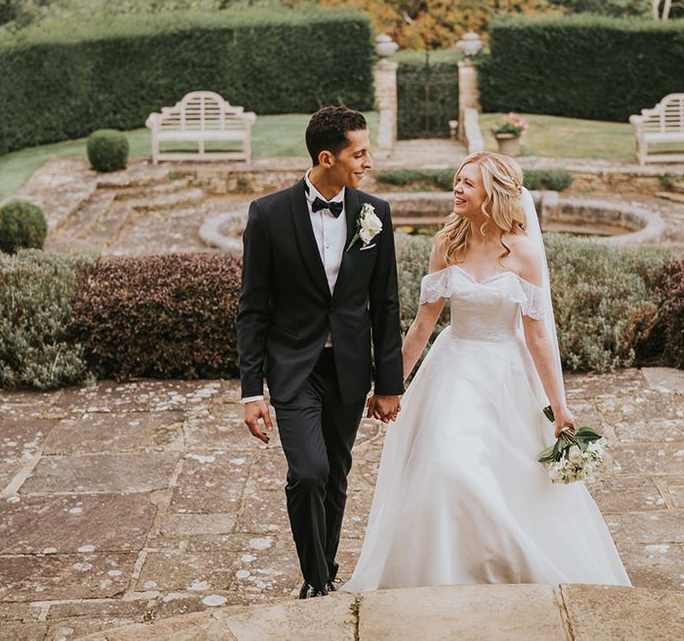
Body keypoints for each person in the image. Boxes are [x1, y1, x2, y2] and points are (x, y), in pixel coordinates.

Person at [344, 151, 630, 590]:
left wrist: (560, 406)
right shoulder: (446, 244)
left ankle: (498, 568)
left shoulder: (524, 254)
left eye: (467, 184)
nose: (456, 189)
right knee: (446, 466)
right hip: (454, 368)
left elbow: (537, 336)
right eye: (456, 181)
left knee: (505, 479)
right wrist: (389, 384)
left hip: (505, 374)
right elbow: (423, 323)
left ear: (492, 194)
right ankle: (445, 573)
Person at [236, 106, 405, 599]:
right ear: (327, 157)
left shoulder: (376, 214)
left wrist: (389, 383)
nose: (368, 161)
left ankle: (324, 572)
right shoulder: (267, 215)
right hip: (293, 369)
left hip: (349, 370)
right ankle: (315, 578)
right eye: (360, 153)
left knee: (335, 474)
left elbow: (386, 303)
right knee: (308, 473)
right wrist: (252, 391)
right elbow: (252, 310)